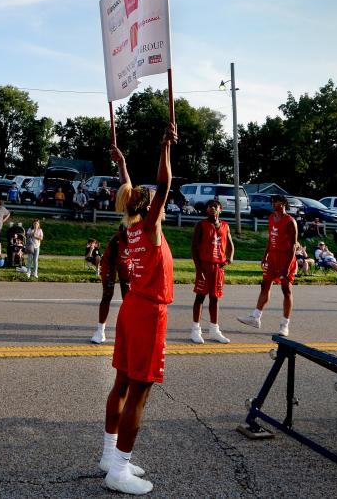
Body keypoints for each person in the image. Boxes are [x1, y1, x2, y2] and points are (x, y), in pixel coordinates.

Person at [101, 123, 176, 495]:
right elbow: (163, 186)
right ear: (148, 208)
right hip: (147, 313)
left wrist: (123, 163)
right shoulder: (149, 227)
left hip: (132, 308)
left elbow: (133, 191)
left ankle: (109, 455)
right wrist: (165, 147)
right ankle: (119, 470)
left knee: (121, 385)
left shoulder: (130, 225)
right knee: (140, 392)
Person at [237, 194, 298, 336]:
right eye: (272, 201)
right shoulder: (271, 218)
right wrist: (265, 256)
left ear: (283, 203)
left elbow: (293, 246)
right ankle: (255, 317)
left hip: (286, 258)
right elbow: (271, 239)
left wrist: (287, 266)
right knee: (264, 285)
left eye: (275, 201)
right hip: (273, 258)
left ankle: (284, 325)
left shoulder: (290, 221)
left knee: (286, 290)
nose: (272, 204)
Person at [189, 199, 234, 345]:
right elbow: (194, 248)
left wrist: (229, 259)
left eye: (215, 207)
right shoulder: (201, 225)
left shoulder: (225, 226)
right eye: (209, 206)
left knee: (215, 298)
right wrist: (198, 268)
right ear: (206, 210)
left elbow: (231, 245)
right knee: (200, 297)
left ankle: (214, 330)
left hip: (218, 267)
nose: (212, 208)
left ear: (220, 209)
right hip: (204, 265)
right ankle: (195, 330)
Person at [91, 228, 129, 345]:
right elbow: (111, 262)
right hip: (110, 263)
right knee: (107, 295)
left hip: (126, 263)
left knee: (128, 298)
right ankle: (100, 330)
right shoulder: (117, 240)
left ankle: (127, 331)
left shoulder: (142, 236)